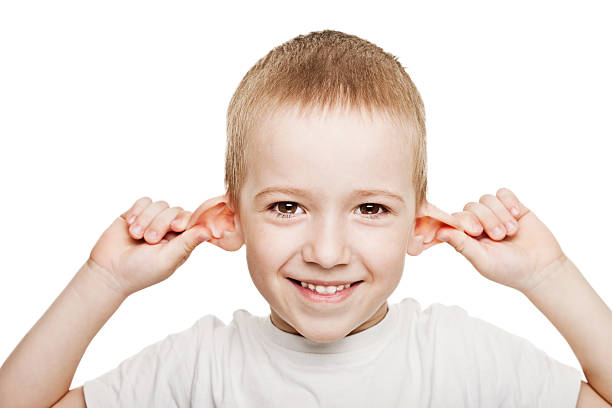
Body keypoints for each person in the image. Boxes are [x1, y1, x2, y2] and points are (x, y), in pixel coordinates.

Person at [1, 29, 610, 408]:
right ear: (229, 220)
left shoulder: (460, 355)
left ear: (422, 228)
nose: (326, 250)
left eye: (370, 209)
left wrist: (548, 275)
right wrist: (103, 281)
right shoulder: (202, 366)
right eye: (287, 207)